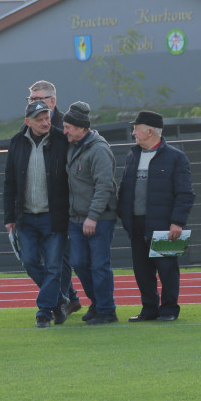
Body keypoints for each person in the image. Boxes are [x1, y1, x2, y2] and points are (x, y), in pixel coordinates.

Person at [117, 111, 195, 322]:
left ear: (149, 131)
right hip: (136, 223)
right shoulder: (133, 155)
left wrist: (177, 222)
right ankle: (149, 309)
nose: (133, 132)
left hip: (163, 225)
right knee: (142, 270)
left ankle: (169, 309)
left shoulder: (176, 158)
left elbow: (185, 194)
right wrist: (124, 217)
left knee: (167, 268)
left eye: (136, 128)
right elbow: (125, 189)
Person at [3, 100, 70, 328]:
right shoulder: (16, 142)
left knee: (53, 266)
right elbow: (9, 182)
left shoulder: (62, 140)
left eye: (47, 118)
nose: (45, 123)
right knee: (30, 261)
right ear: (28, 122)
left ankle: (43, 311)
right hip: (26, 217)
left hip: (54, 217)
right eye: (39, 119)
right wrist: (8, 217)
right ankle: (59, 300)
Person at [27, 81, 82, 315]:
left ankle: (61, 301)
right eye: (30, 100)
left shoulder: (66, 128)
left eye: (37, 98)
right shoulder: (28, 128)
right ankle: (66, 297)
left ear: (52, 101)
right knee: (38, 259)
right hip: (37, 207)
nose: (33, 103)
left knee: (62, 259)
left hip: (65, 206)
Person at [63, 101, 119, 324]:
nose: (64, 131)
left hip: (98, 219)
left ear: (81, 128)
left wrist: (93, 216)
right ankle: (98, 304)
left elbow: (104, 185)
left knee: (99, 264)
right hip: (76, 218)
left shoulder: (99, 150)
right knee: (79, 262)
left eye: (68, 127)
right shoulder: (73, 146)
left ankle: (107, 310)